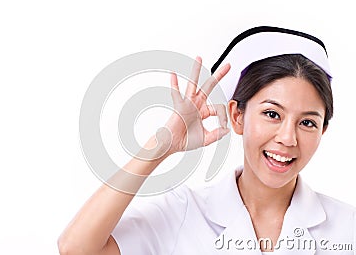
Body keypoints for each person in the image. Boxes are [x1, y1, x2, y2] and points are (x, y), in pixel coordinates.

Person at [58, 26, 356, 254]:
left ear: (323, 132)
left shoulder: (348, 228)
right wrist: (159, 147)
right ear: (237, 117)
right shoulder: (184, 212)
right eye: (272, 114)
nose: (288, 138)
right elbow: (76, 248)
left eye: (307, 122)